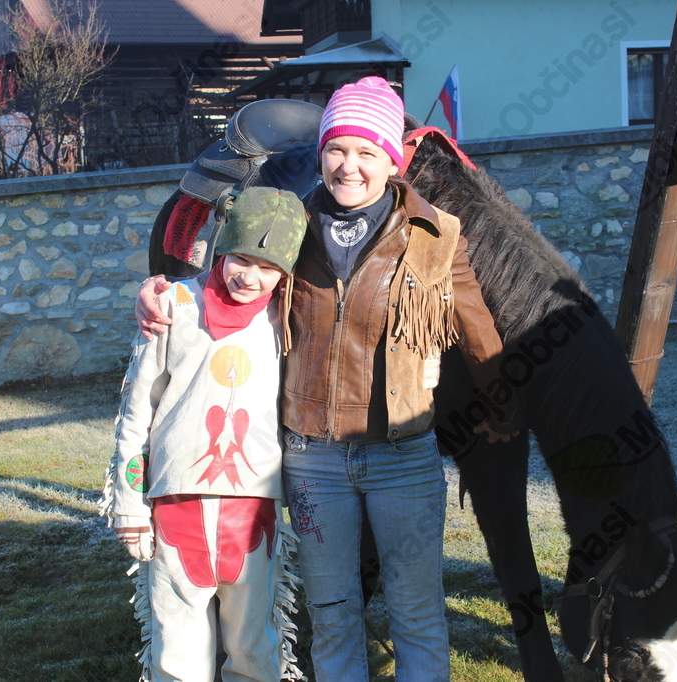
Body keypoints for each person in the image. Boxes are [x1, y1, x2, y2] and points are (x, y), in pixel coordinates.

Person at [136, 77, 513, 682]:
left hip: (402, 459)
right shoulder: (293, 224)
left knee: (416, 614)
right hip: (313, 463)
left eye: (366, 151)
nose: (349, 165)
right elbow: (230, 282)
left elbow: (479, 334)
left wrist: (502, 409)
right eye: (337, 148)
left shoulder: (436, 235)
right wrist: (161, 292)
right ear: (321, 153)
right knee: (333, 615)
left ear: (391, 160)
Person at [99, 187, 308, 682]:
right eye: (241, 259)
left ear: (286, 274)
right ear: (222, 248)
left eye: (268, 267)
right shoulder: (172, 306)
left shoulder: (290, 317)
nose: (250, 277)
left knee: (254, 643)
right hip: (176, 503)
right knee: (177, 645)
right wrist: (130, 504)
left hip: (254, 508)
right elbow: (137, 411)